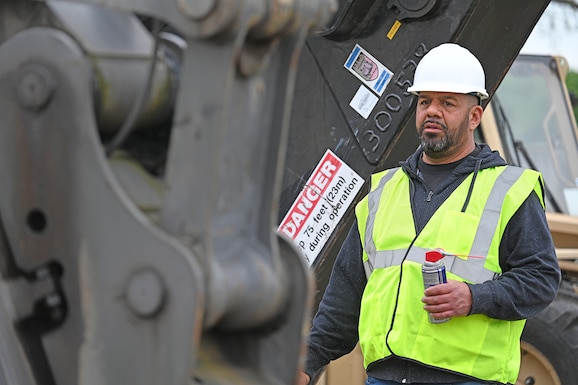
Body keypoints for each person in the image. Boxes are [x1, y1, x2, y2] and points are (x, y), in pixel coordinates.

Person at [297, 43, 561, 385]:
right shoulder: (383, 193)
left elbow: (540, 279)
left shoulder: (510, 190)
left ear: (474, 116)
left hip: (469, 379)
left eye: (447, 103)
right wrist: (308, 362)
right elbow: (345, 296)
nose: (432, 111)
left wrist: (474, 297)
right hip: (385, 379)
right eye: (425, 102)